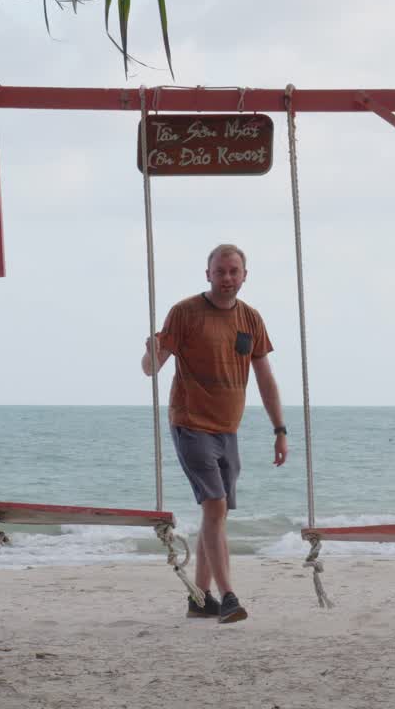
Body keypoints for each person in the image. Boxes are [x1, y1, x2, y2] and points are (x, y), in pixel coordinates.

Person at [141, 243, 287, 624]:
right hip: (190, 423)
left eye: (233, 271)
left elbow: (265, 377)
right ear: (208, 274)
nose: (227, 278)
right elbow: (151, 368)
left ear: (244, 276)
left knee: (216, 514)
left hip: (228, 429)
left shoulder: (251, 319)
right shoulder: (185, 313)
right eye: (220, 271)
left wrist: (280, 429)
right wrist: (150, 351)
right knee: (215, 506)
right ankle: (229, 597)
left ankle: (199, 598)